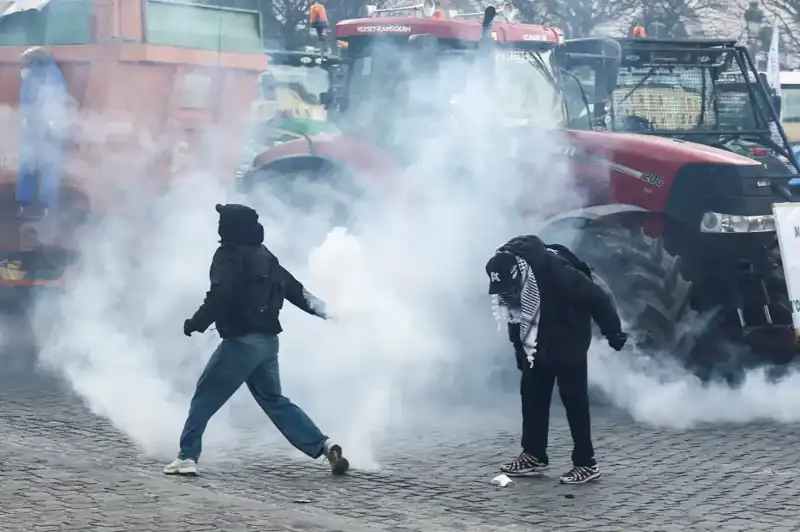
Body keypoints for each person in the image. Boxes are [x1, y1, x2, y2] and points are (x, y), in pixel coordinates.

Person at [163, 204, 349, 477]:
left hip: (240, 344)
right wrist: (329, 312)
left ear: (229, 226)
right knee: (274, 400)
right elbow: (297, 291)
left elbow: (220, 294)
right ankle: (324, 445)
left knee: (205, 397)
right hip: (268, 343)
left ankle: (187, 457)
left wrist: (197, 323)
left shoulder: (227, 255)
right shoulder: (266, 257)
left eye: (222, 220)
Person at [485, 235, 627, 484]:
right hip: (537, 338)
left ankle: (586, 463)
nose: (508, 294)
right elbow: (514, 317)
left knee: (574, 399)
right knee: (532, 394)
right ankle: (534, 454)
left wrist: (612, 332)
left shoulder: (557, 272)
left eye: (511, 288)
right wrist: (520, 351)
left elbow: (597, 298)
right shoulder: (508, 274)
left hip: (569, 334)